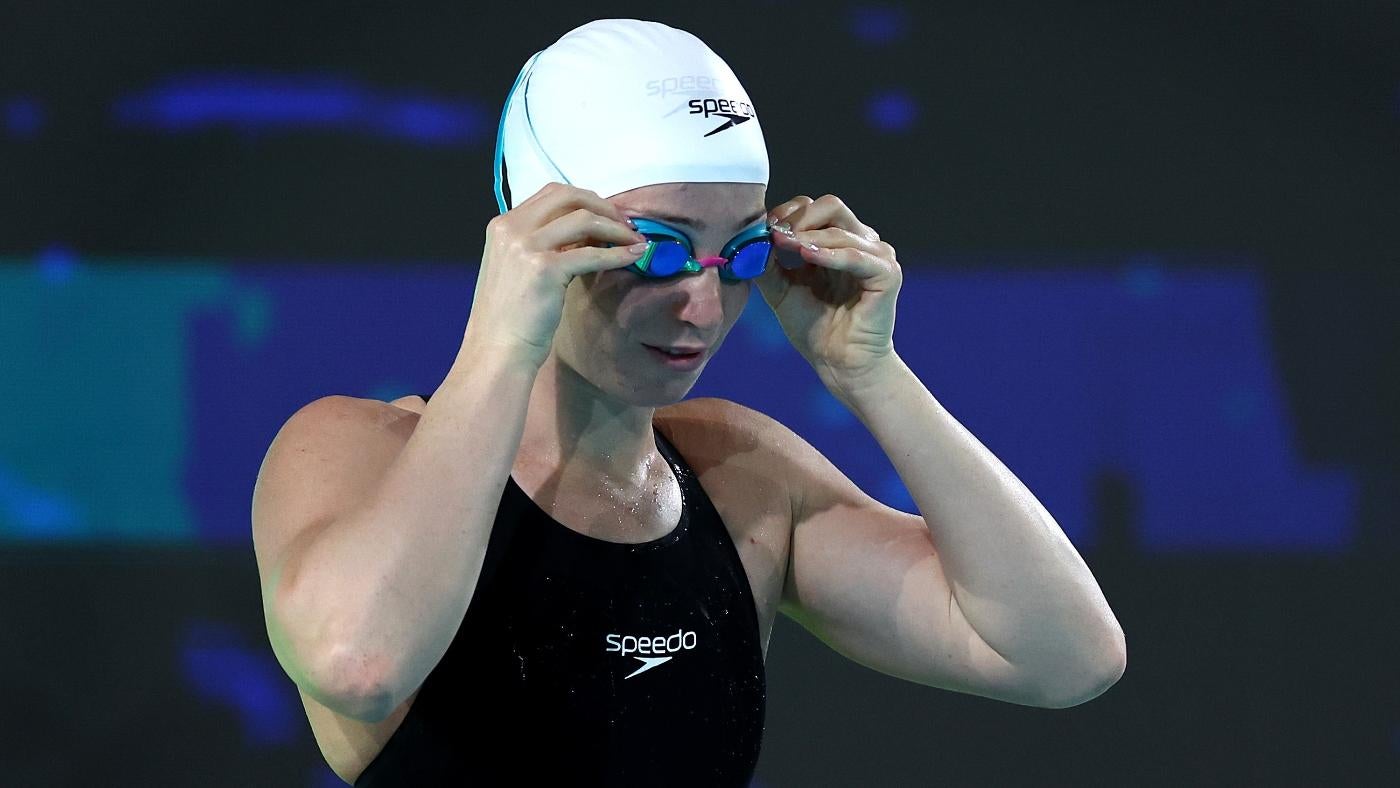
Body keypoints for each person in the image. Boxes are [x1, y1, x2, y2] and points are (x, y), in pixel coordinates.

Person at [251, 18, 1126, 787]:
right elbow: (359, 662)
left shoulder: (738, 476)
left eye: (741, 256)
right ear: (533, 227)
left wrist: (873, 373)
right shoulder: (357, 450)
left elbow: (1064, 656)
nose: (704, 310)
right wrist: (500, 339)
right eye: (657, 250)